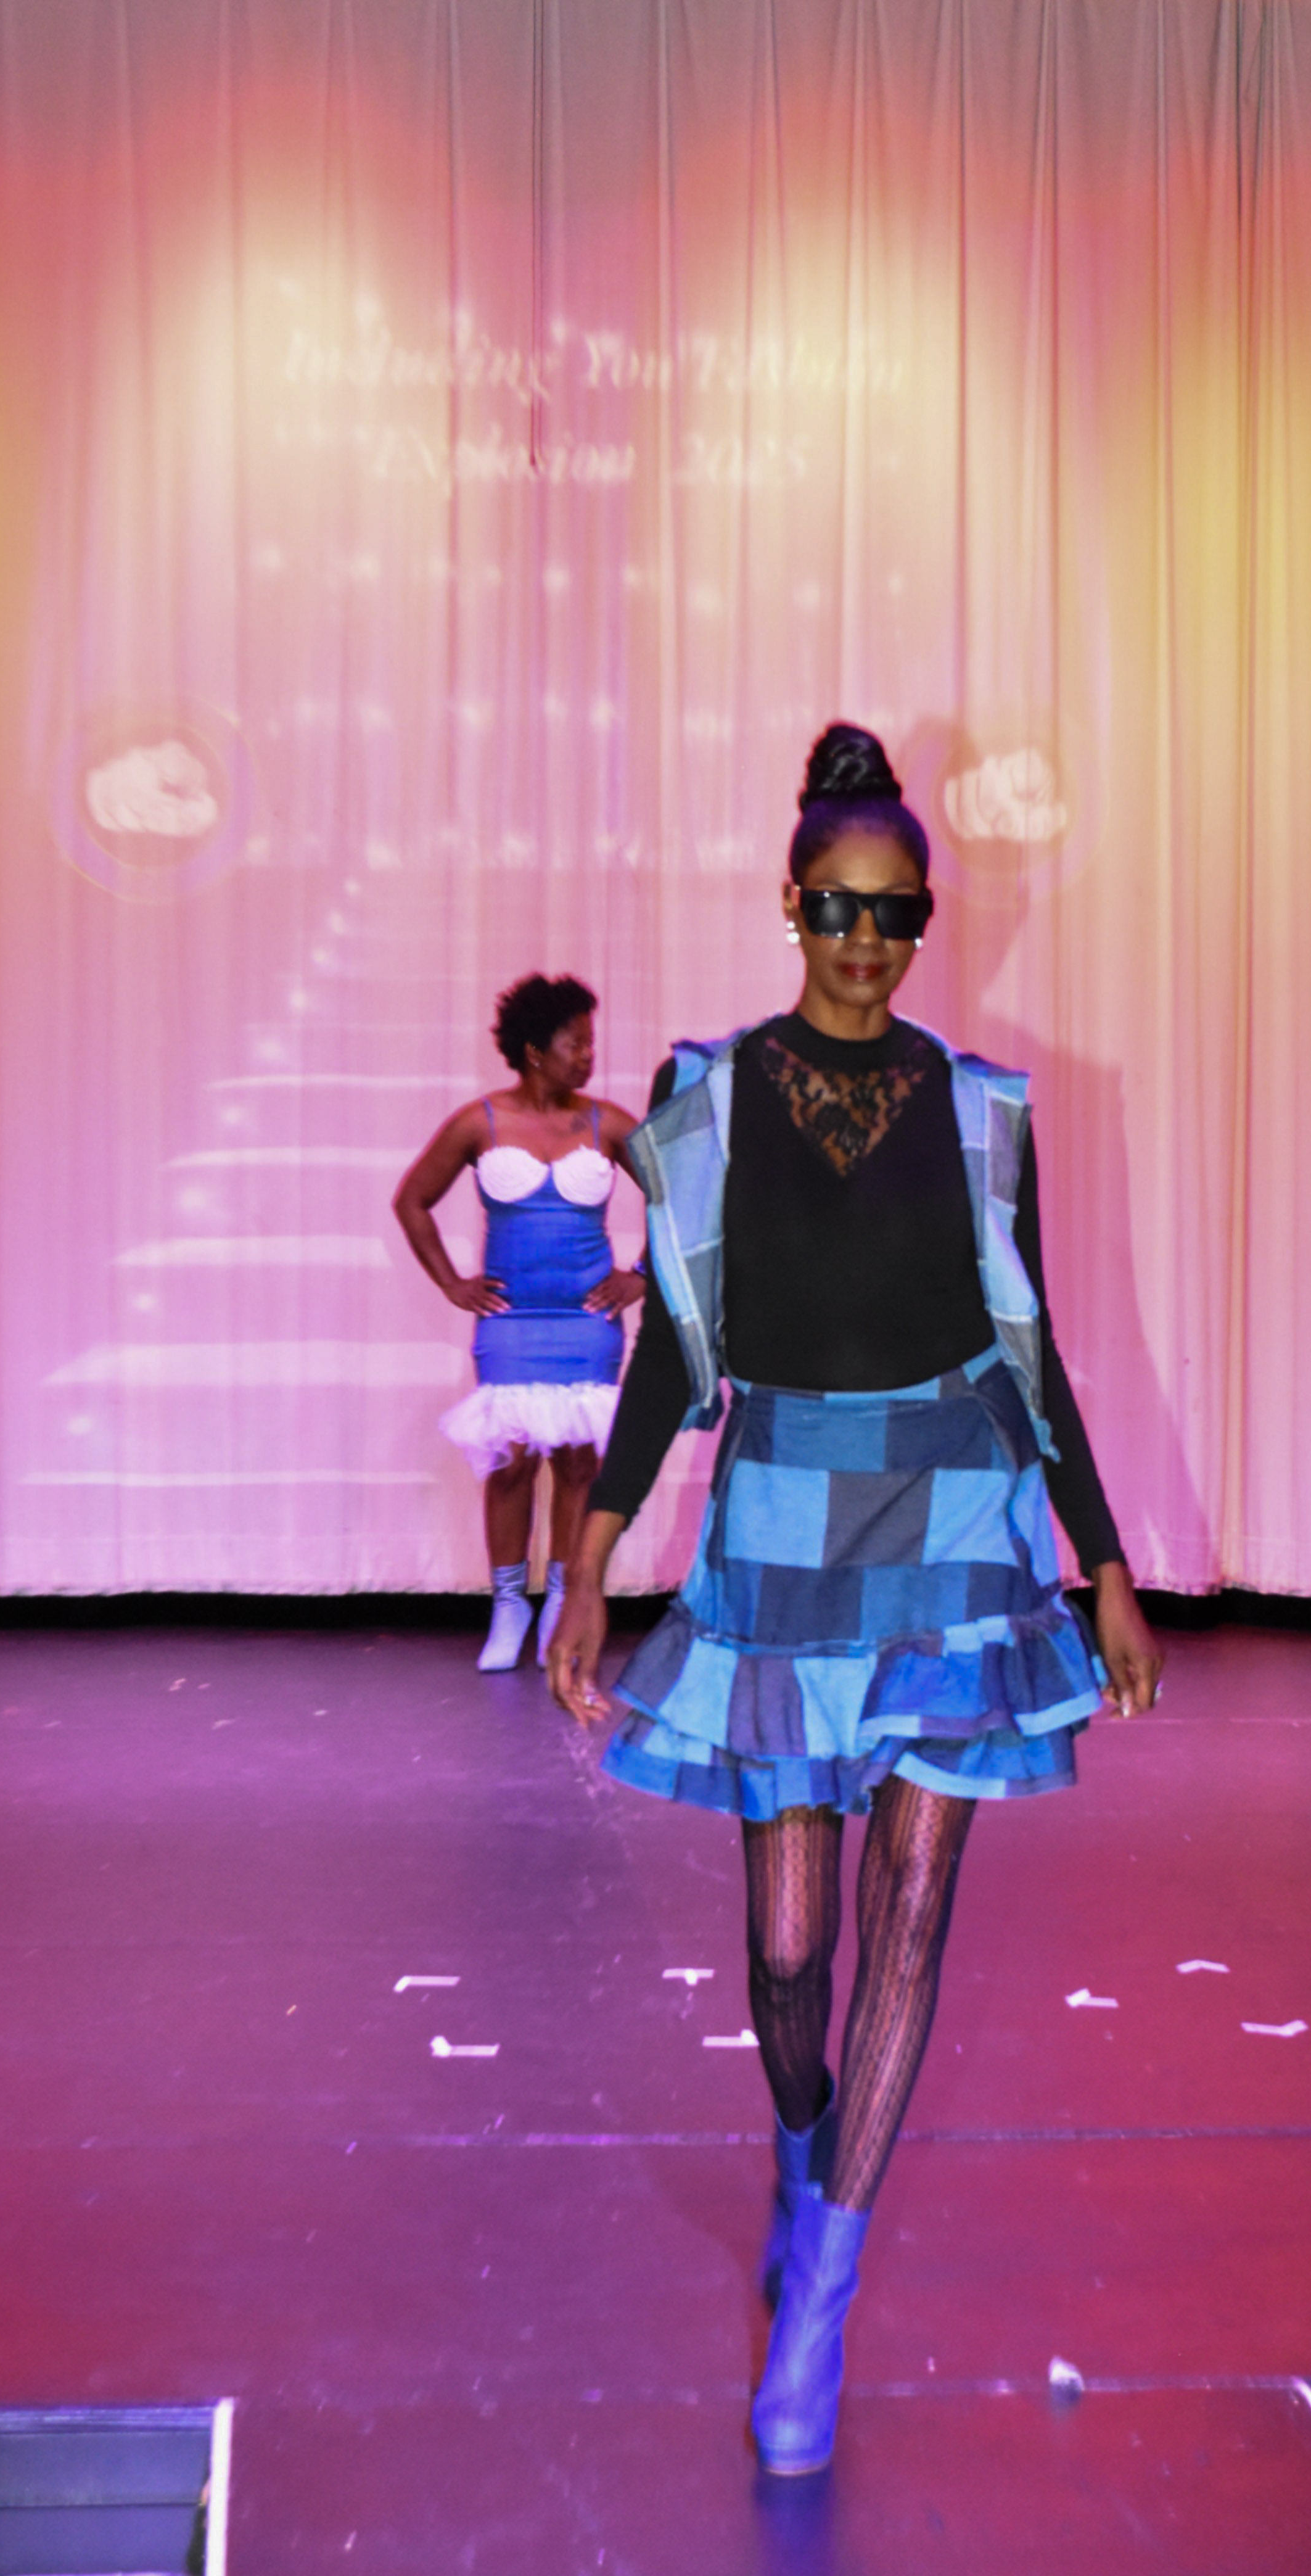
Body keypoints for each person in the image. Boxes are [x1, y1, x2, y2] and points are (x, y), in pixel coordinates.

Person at [548, 723, 1161, 2475]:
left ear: (922, 923)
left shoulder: (981, 1111)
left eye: (896, 914)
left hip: (956, 1516)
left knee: (908, 1909)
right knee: (788, 1945)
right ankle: (802, 2146)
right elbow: (674, 1351)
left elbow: (1031, 1351)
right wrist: (590, 1559)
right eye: (837, 907)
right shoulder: (705, 1099)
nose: (866, 941)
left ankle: (818, 2298)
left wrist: (1104, 1565)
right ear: (790, 904)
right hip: (778, 1520)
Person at [393, 975, 646, 1670]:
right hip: (511, 1322)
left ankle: (561, 1601)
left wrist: (641, 1274)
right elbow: (412, 1200)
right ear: (535, 1051)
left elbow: (682, 1196)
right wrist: (452, 1283)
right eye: (576, 1043)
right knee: (509, 1464)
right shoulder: (480, 1122)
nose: (588, 1055)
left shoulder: (607, 1123)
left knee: (578, 1463)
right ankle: (509, 1605)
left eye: (591, 1042)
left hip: (586, 1323)